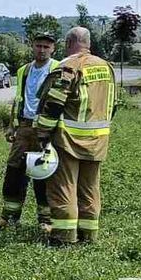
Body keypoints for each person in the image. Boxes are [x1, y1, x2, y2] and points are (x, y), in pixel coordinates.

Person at [35, 27, 116, 245]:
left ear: (69, 42)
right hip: (98, 139)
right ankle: (89, 235)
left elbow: (52, 104)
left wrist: (42, 133)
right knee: (90, 188)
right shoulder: (106, 67)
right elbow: (113, 105)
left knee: (63, 187)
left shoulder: (68, 66)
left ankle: (63, 237)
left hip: (68, 140)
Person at [0, 33, 60, 232]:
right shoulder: (23, 70)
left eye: (46, 46)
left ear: (53, 49)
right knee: (14, 170)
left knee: (43, 171)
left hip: (46, 129)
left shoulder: (58, 69)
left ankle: (45, 220)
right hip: (24, 128)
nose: (42, 50)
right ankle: (8, 217)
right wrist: (12, 125)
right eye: (38, 45)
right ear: (32, 46)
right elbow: (18, 99)